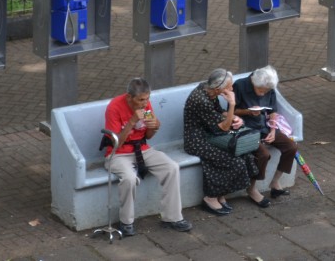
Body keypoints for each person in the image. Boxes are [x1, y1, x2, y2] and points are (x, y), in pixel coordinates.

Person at [103, 77, 193, 237]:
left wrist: (155, 126)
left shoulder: (146, 106)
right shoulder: (114, 107)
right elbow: (116, 142)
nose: (145, 103)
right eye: (141, 100)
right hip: (118, 153)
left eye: (147, 99)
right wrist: (132, 121)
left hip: (142, 149)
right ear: (129, 97)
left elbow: (149, 136)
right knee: (129, 178)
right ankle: (126, 222)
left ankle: (172, 218)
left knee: (171, 168)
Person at [183, 68, 264, 215]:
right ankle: (210, 197)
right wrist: (232, 105)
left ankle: (221, 194)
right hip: (197, 140)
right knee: (232, 161)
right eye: (229, 87)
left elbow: (220, 113)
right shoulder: (201, 99)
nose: (231, 89)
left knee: (242, 155)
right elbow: (223, 128)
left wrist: (234, 118)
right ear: (218, 88)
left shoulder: (209, 90)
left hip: (211, 135)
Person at [233, 66, 298, 200]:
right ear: (253, 83)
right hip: (245, 129)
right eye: (260, 91)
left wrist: (273, 130)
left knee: (291, 147)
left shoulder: (269, 86)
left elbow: (272, 110)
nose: (263, 94)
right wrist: (248, 112)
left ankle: (275, 183)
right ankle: (251, 189)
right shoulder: (240, 86)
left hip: (264, 126)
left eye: (266, 91)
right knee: (263, 154)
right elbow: (231, 111)